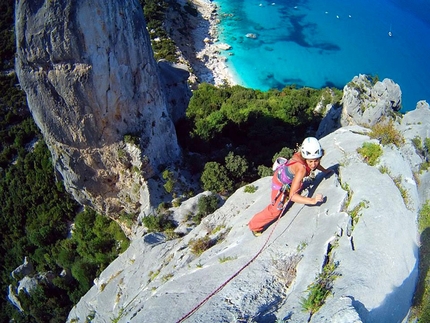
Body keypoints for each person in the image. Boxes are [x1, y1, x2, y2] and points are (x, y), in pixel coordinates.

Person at [248, 137, 331, 236]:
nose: (313, 165)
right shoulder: (301, 169)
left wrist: (326, 171)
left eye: (316, 160)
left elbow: (314, 164)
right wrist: (312, 200)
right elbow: (292, 196)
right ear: (305, 158)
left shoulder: (306, 158)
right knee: (275, 211)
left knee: (298, 186)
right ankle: (254, 226)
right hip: (280, 183)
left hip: (287, 178)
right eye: (310, 161)